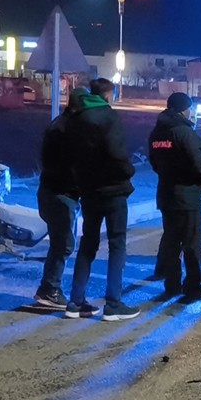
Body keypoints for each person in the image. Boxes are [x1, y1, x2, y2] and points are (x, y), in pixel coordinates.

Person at [65, 78, 140, 321]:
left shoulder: (76, 118)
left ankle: (75, 302)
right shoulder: (108, 116)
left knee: (88, 243)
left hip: (88, 190)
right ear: (108, 95)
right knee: (117, 244)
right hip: (113, 189)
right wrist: (129, 172)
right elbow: (116, 152)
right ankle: (113, 304)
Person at [149, 92, 201, 302]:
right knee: (192, 244)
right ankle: (193, 286)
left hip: (166, 194)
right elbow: (198, 166)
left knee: (171, 242)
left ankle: (172, 284)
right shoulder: (185, 133)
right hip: (187, 196)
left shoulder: (157, 133)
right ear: (185, 109)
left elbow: (155, 164)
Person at [32, 87, 85, 310]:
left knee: (61, 242)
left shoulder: (60, 124)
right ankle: (49, 289)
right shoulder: (66, 130)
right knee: (63, 244)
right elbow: (67, 165)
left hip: (53, 191)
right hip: (60, 194)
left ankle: (50, 287)